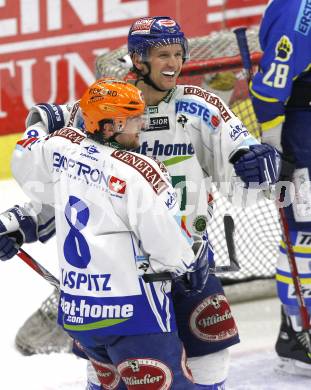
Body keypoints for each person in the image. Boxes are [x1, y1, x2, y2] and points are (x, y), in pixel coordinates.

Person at [2, 79, 211, 389]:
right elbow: (167, 249)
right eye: (133, 117)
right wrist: (189, 266)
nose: (143, 122)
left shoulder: (61, 147)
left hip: (80, 315)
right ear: (109, 124)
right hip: (135, 317)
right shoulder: (140, 173)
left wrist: (39, 121)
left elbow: (23, 159)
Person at [250, 0, 311, 377]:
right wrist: (275, 149)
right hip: (303, 137)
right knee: (305, 237)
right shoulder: (299, 10)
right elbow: (269, 89)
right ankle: (298, 330)